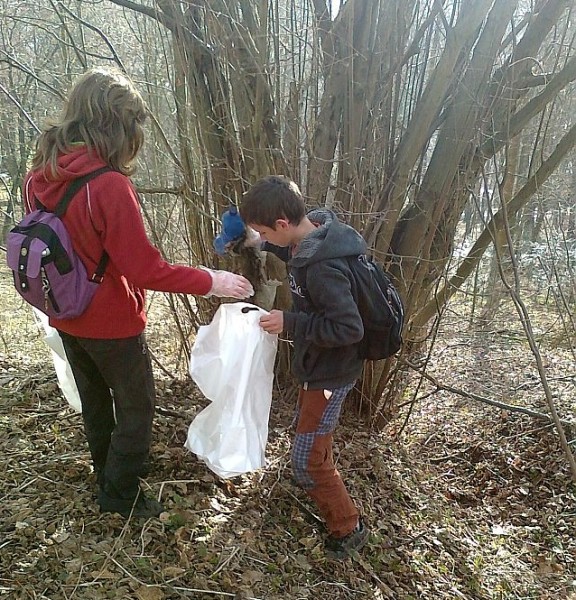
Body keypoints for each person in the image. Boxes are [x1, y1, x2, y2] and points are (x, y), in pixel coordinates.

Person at [23, 66, 253, 519]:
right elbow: (145, 269)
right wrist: (213, 281)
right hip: (111, 323)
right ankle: (121, 495)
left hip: (65, 313)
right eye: (133, 126)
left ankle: (106, 476)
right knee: (137, 407)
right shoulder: (108, 185)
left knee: (95, 401)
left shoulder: (41, 174)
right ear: (116, 125)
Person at [239, 175, 369, 559]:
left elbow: (349, 328)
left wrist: (291, 323)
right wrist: (253, 240)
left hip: (331, 373)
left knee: (306, 461)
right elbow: (289, 251)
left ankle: (348, 526)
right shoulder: (313, 236)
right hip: (320, 368)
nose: (264, 238)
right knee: (312, 437)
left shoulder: (322, 267)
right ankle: (317, 459)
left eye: (265, 230)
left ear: (282, 223)